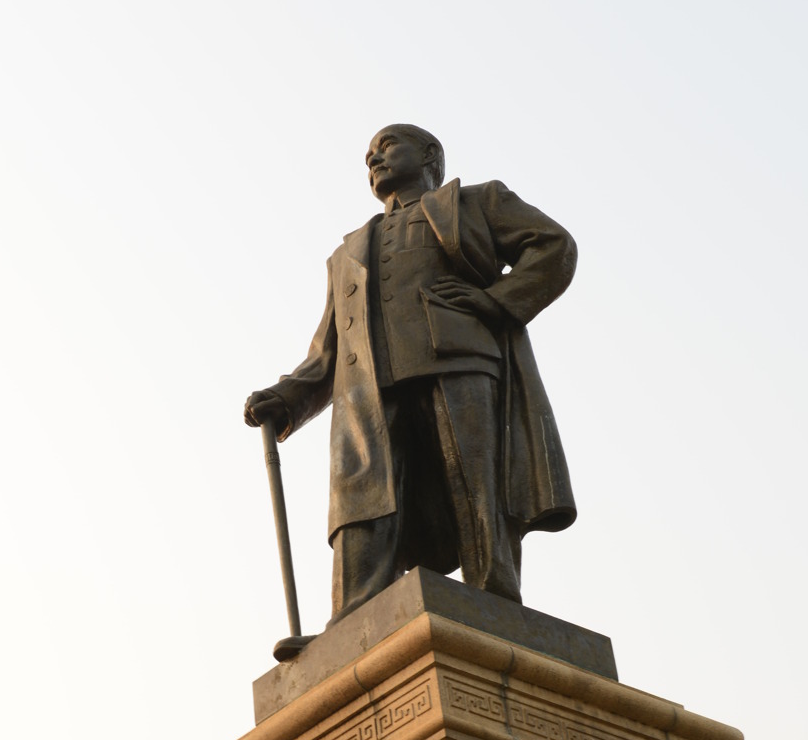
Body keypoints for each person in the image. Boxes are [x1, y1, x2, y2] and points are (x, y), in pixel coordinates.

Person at [244, 123, 577, 620]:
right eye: (367, 156)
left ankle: (495, 600)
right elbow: (328, 352)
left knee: (476, 485)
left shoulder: (475, 203)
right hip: (371, 390)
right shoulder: (348, 254)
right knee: (361, 498)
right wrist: (287, 397)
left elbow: (554, 246)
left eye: (386, 147)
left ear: (429, 154)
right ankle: (355, 617)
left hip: (460, 362)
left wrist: (495, 301)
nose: (372, 159)